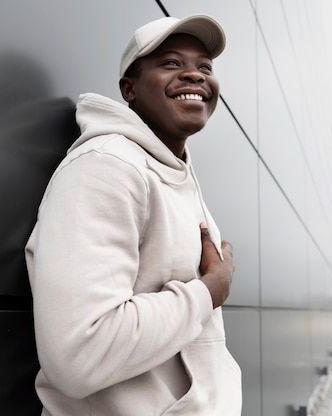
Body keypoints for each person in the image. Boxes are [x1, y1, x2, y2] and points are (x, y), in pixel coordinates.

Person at [25, 14, 242, 416]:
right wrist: (208, 291)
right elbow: (80, 353)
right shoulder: (106, 167)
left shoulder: (174, 168)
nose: (194, 75)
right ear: (130, 89)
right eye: (172, 63)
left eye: (205, 66)